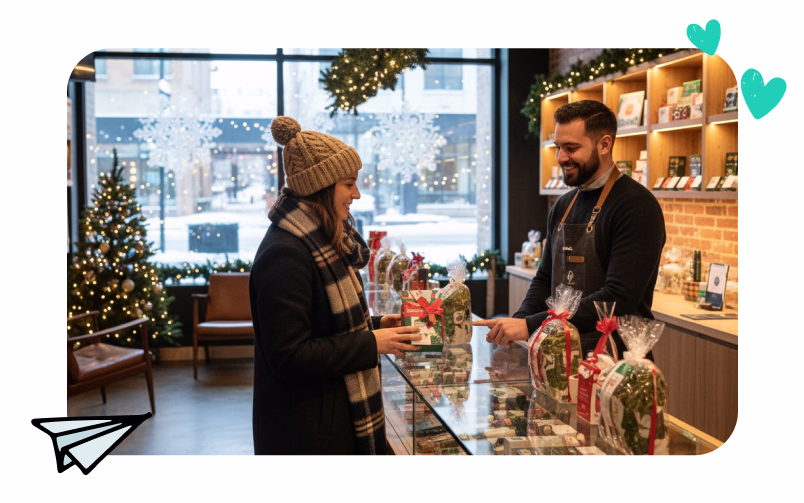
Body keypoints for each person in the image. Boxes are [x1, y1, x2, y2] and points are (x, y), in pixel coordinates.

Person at [250, 116, 422, 455]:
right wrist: (371, 342)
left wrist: (373, 325)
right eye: (349, 184)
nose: (356, 194)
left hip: (326, 422)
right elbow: (289, 356)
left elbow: (321, 323)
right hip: (306, 434)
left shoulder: (321, 242)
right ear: (322, 187)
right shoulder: (285, 254)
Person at [474, 100, 665, 358]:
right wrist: (518, 323)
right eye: (558, 147)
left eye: (571, 148)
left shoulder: (637, 206)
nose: (562, 157)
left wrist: (531, 325)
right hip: (558, 357)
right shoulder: (564, 204)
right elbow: (544, 280)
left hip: (613, 363)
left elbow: (616, 300)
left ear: (605, 144)